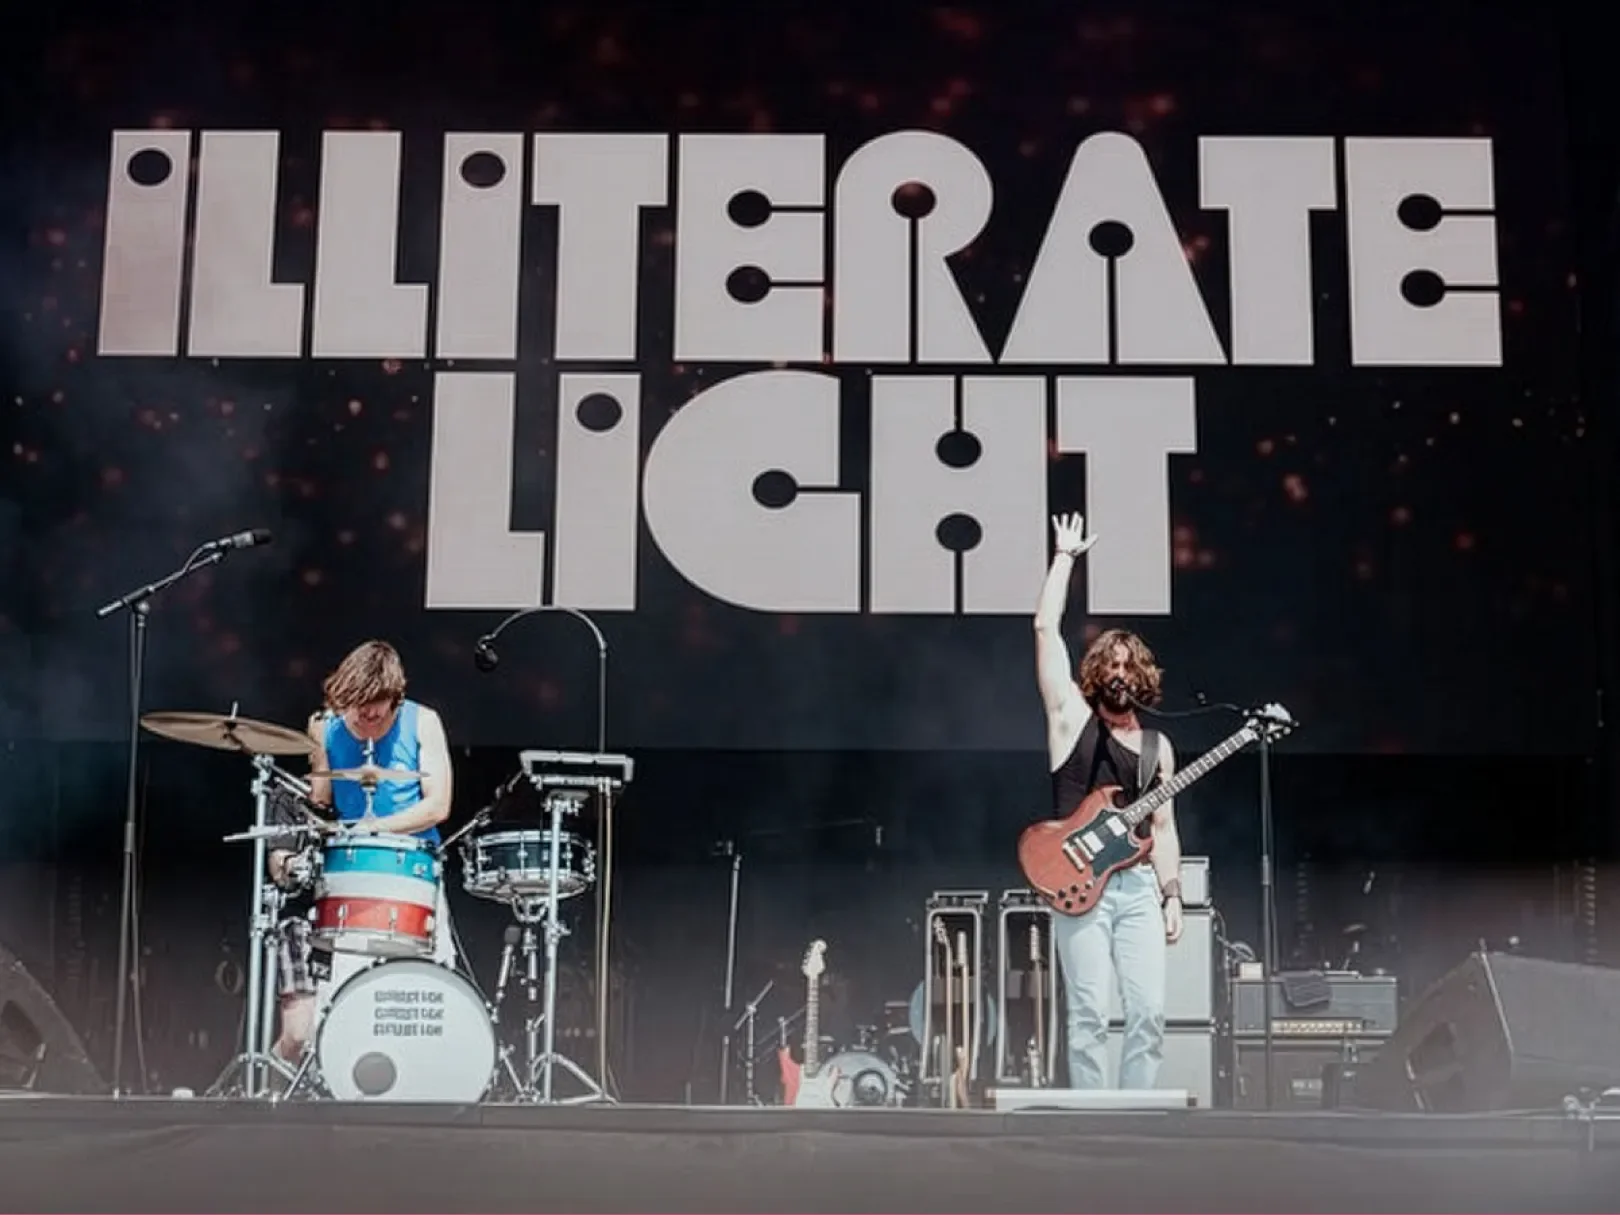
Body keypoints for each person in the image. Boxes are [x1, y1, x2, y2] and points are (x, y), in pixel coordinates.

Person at [1033, 512, 1184, 1091]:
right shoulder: (1070, 719)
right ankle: (1090, 1123)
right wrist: (1064, 559)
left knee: (1148, 1014)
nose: (1120, 674)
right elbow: (1045, 629)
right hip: (1080, 886)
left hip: (1138, 888)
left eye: (1128, 667)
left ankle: (1138, 1120)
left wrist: (1172, 894)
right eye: (1111, 665)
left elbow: (1163, 828)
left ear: (1141, 677)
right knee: (1090, 1015)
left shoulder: (1155, 748)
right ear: (1097, 672)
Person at [268, 639, 458, 1067]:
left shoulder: (423, 721)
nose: (367, 721)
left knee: (423, 991)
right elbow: (321, 797)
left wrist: (375, 827)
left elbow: (438, 805)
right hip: (352, 871)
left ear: (395, 700)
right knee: (348, 993)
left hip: (411, 867)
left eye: (378, 713)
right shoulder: (326, 727)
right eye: (358, 712)